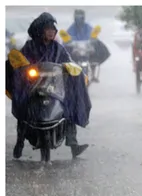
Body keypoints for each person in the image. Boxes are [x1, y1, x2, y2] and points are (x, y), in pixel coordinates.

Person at [5, 12, 91, 159]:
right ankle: (19, 142)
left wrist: (70, 68)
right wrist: (21, 69)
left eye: (53, 29)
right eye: (48, 29)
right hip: (32, 88)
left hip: (54, 88)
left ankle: (73, 144)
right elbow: (20, 63)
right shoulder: (29, 47)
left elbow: (68, 62)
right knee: (24, 107)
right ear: (40, 30)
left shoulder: (58, 48)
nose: (52, 32)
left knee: (68, 106)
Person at [65, 9, 110, 83]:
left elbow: (93, 36)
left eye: (81, 18)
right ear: (75, 18)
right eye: (77, 18)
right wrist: (68, 42)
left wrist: (94, 41)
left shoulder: (88, 27)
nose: (79, 20)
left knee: (96, 56)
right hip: (76, 50)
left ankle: (93, 74)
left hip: (87, 49)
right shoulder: (71, 28)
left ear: (83, 18)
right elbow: (67, 38)